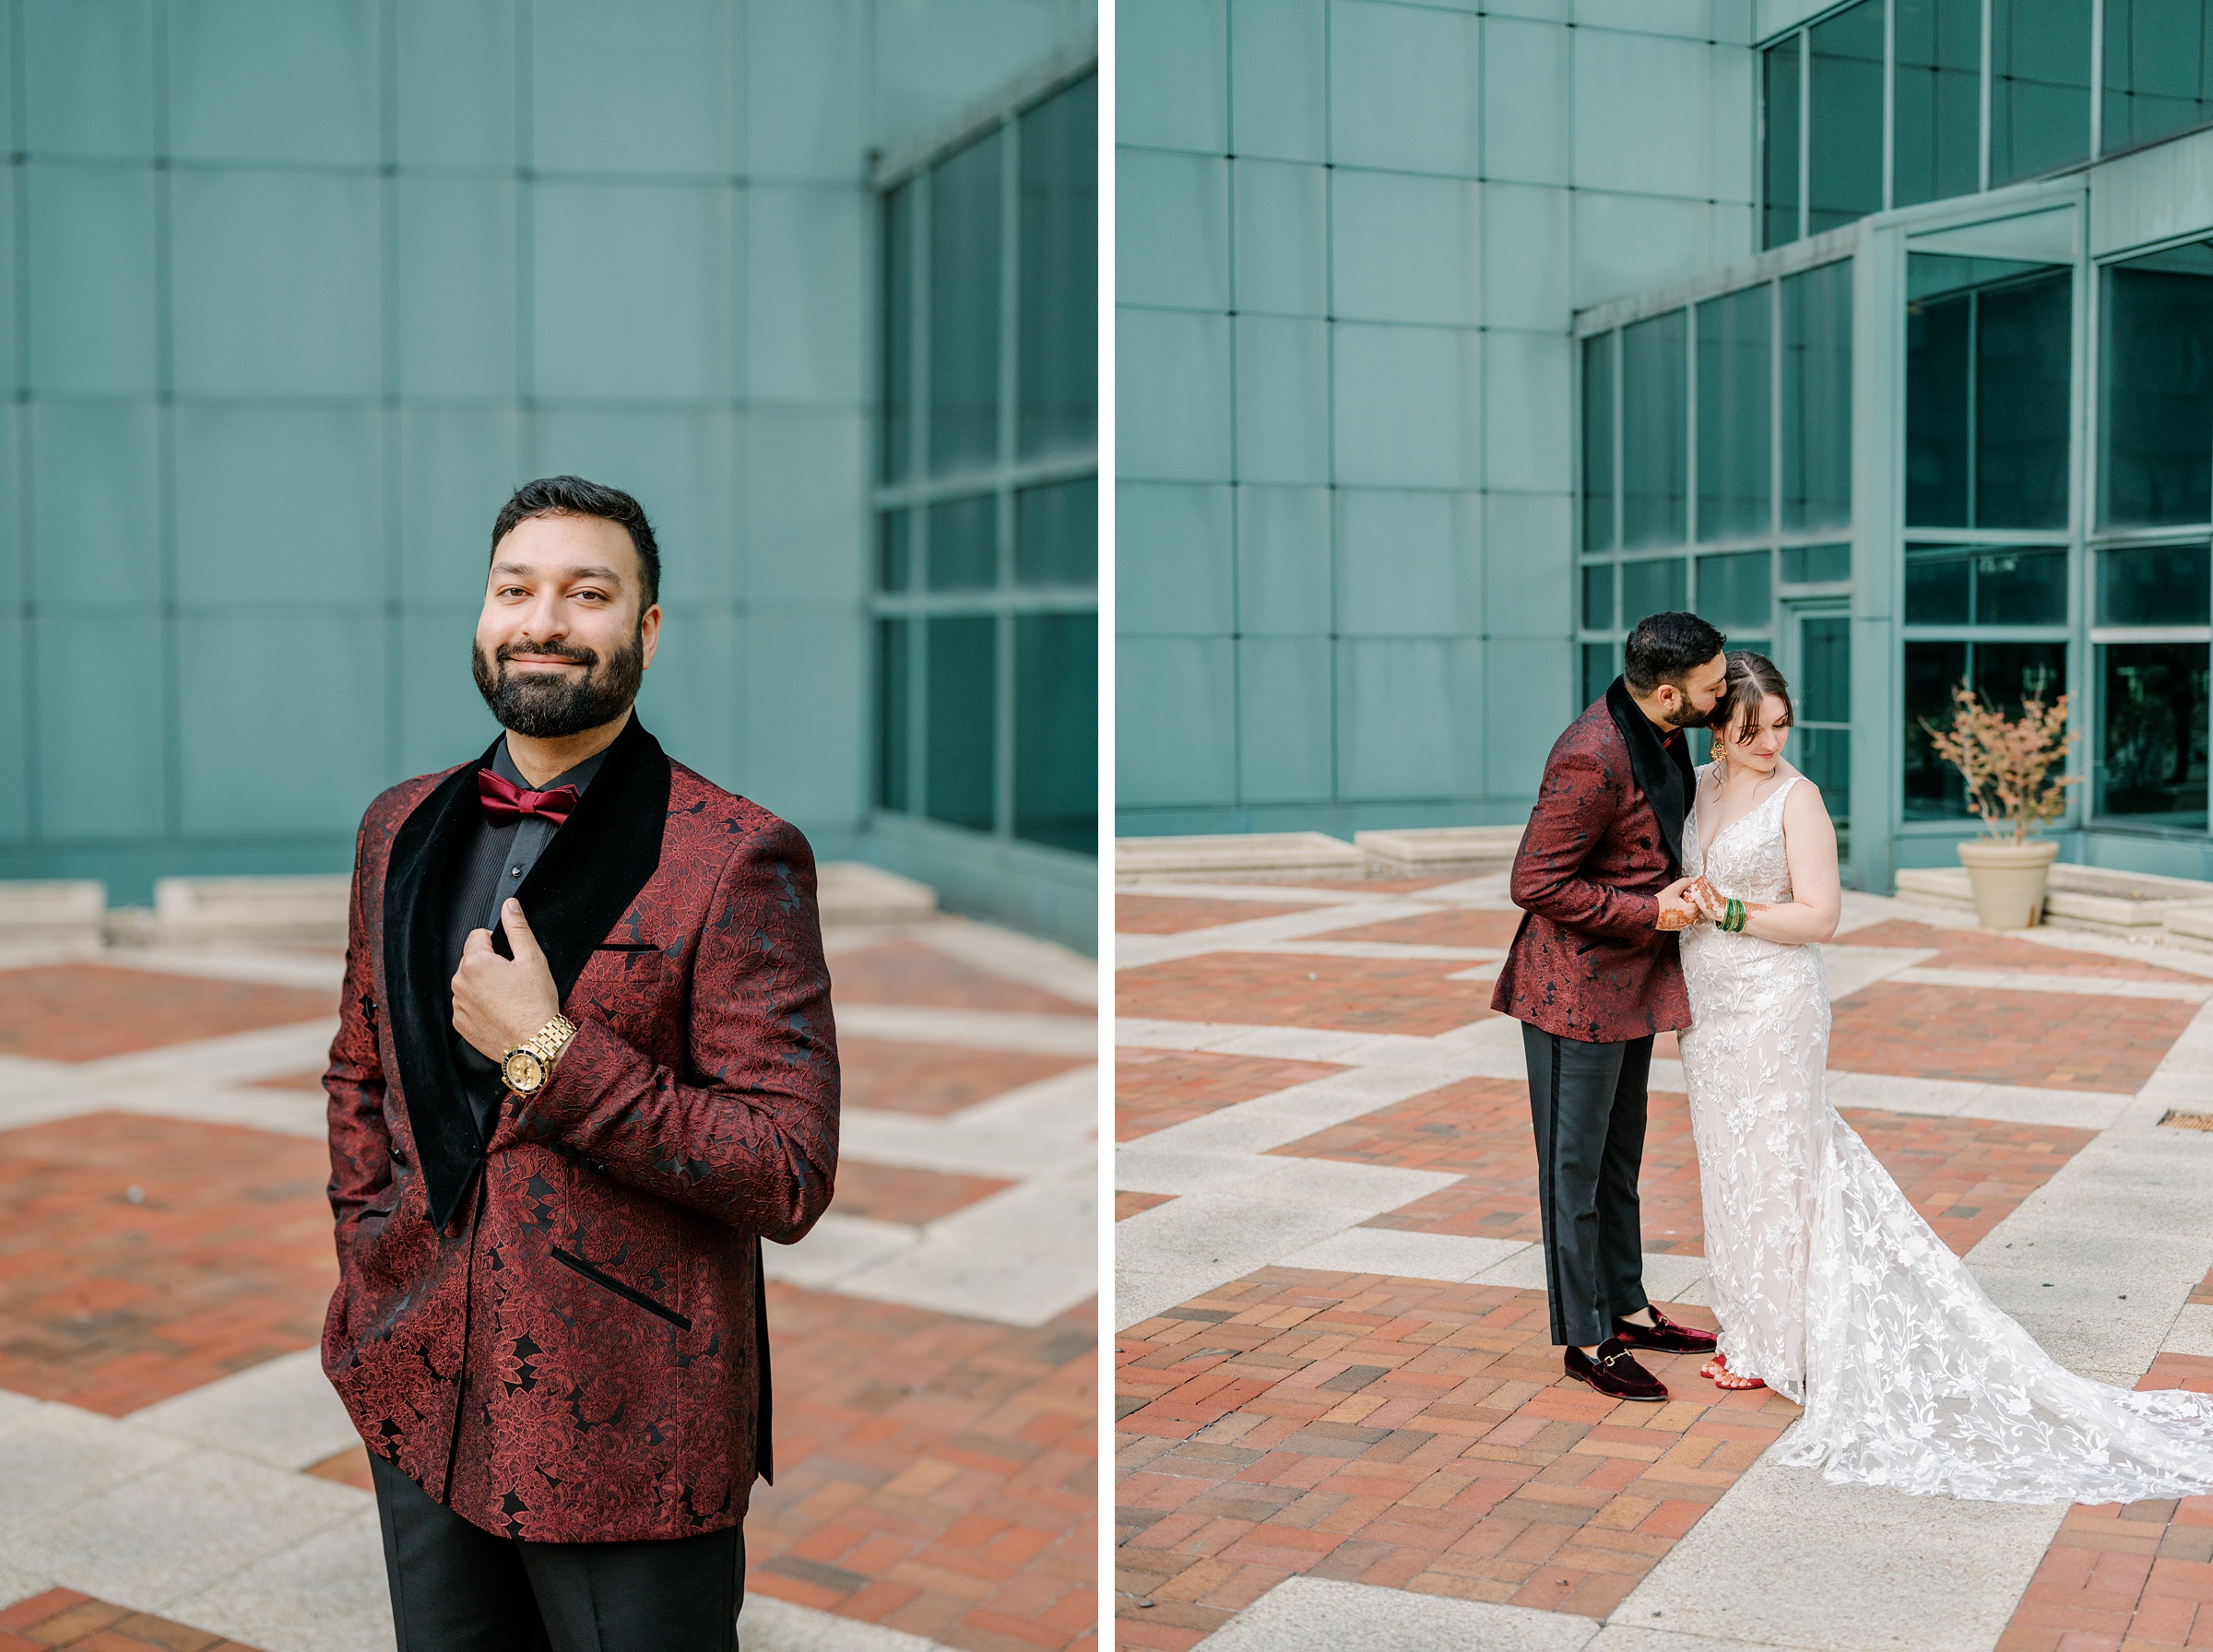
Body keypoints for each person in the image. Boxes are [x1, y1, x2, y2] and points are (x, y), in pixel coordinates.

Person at [320, 475, 840, 1648]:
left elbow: (788, 1166)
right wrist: (369, 1263)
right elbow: (359, 1064)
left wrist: (548, 1053)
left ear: (645, 630)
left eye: (588, 592)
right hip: (418, 1388)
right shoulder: (395, 824)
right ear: (483, 614)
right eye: (517, 588)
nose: (545, 619)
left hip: (633, 1431)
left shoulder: (739, 856)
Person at [1675, 648, 2213, 1502]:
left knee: (1781, 1155)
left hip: (1775, 1004)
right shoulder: (1697, 787)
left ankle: (1784, 1344)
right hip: (1708, 1008)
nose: (1770, 744)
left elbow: (1823, 916)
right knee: (1729, 1159)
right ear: (1718, 730)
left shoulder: (1798, 798)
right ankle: (1746, 1326)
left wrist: (1730, 908)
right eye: (1751, 732)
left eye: (1780, 726)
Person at [1493, 611, 1731, 1402]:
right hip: (1570, 993)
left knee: (1618, 1163)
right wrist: (1648, 914)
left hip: (1629, 989)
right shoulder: (1590, 754)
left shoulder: (1661, 733)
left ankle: (1626, 1307)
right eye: (1712, 684)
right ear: (1669, 692)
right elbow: (1535, 883)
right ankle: (1588, 1340)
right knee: (1574, 1172)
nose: (1722, 691)